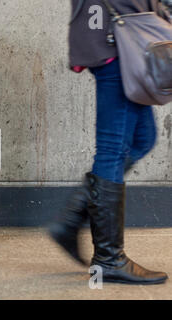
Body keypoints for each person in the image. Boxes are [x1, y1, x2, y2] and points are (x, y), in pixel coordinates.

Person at [48, 0, 171, 285]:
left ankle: (73, 217)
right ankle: (108, 259)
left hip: (123, 41)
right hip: (116, 42)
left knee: (143, 138)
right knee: (113, 149)